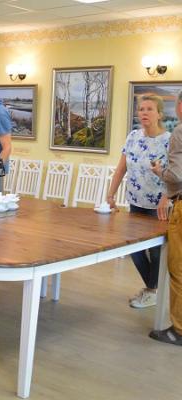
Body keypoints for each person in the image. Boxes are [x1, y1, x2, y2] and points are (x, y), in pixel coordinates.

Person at [106, 95, 170, 308]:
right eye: (141, 109)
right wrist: (110, 193)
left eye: (149, 109)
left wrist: (165, 192)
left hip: (158, 206)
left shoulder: (169, 141)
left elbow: (176, 176)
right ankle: (153, 290)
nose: (144, 112)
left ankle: (152, 291)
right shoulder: (133, 136)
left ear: (159, 114)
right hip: (135, 201)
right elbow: (121, 167)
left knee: (155, 250)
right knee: (133, 248)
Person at [149, 91, 182, 345]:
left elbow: (177, 176)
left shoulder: (179, 133)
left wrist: (161, 171)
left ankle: (178, 330)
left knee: (178, 270)